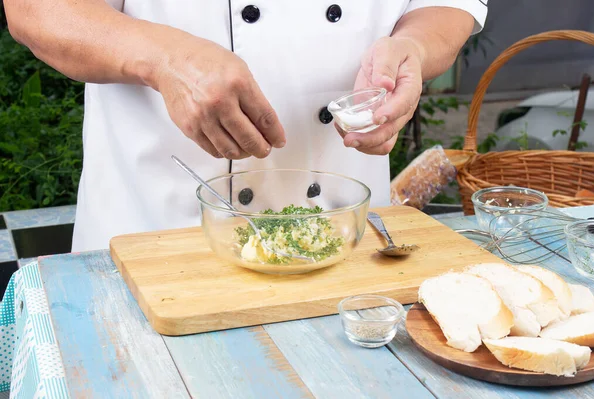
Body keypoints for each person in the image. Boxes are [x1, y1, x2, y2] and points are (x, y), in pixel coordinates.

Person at [4, 1, 487, 252]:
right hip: (156, 238)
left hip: (348, 241)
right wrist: (166, 60)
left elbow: (447, 4)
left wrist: (416, 48)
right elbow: (35, 8)